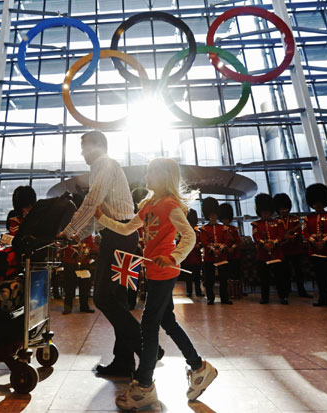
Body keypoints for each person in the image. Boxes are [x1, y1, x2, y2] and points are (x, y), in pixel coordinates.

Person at [95, 158, 217, 410]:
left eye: (151, 172)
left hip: (165, 270)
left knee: (149, 327)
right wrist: (102, 219)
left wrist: (172, 257)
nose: (147, 175)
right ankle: (199, 367)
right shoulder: (148, 205)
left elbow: (190, 236)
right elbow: (128, 228)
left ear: (163, 177)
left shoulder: (170, 205)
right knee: (167, 321)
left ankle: (144, 386)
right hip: (153, 271)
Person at [57, 131, 143, 377]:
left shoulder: (104, 164)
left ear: (97, 146)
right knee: (119, 301)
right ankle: (124, 362)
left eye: (84, 146)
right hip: (123, 236)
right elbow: (97, 217)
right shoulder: (102, 167)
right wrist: (76, 236)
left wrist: (69, 230)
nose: (81, 151)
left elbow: (92, 201)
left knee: (104, 298)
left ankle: (146, 348)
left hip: (118, 236)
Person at [251, 193, 289, 305]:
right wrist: (264, 244)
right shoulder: (256, 224)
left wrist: (274, 243)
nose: (265, 214)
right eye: (263, 212)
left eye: (267, 212)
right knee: (264, 278)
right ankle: (265, 297)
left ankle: (283, 296)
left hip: (276, 253)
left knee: (280, 277)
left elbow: (281, 235)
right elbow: (256, 236)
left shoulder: (278, 223)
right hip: (263, 254)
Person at [273, 193, 311, 298]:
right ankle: (286, 291)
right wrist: (284, 237)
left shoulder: (295, 219)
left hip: (295, 249)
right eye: (281, 208)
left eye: (286, 208)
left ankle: (302, 291)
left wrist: (294, 235)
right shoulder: (275, 221)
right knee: (285, 273)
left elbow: (299, 231)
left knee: (299, 272)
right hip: (283, 250)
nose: (284, 210)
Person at [200, 197, 232, 305]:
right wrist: (213, 249)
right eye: (211, 215)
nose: (213, 217)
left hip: (222, 256)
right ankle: (210, 298)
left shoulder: (223, 228)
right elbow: (204, 241)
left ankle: (224, 298)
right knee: (209, 280)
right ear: (208, 216)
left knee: (223, 279)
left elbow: (226, 240)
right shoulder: (204, 229)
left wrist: (220, 248)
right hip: (209, 257)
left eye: (214, 215)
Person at [218, 202, 244, 297]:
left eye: (227, 218)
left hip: (234, 254)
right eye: (224, 219)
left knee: (236, 273)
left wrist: (232, 247)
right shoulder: (220, 229)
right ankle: (227, 292)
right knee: (225, 275)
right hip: (224, 254)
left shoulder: (234, 229)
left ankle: (237, 291)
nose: (226, 220)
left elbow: (238, 241)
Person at [181, 209, 204, 297]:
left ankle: (198, 291)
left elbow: (203, 242)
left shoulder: (198, 233)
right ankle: (189, 291)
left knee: (197, 277)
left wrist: (200, 245)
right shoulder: (184, 233)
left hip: (197, 258)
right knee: (188, 277)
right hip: (188, 258)